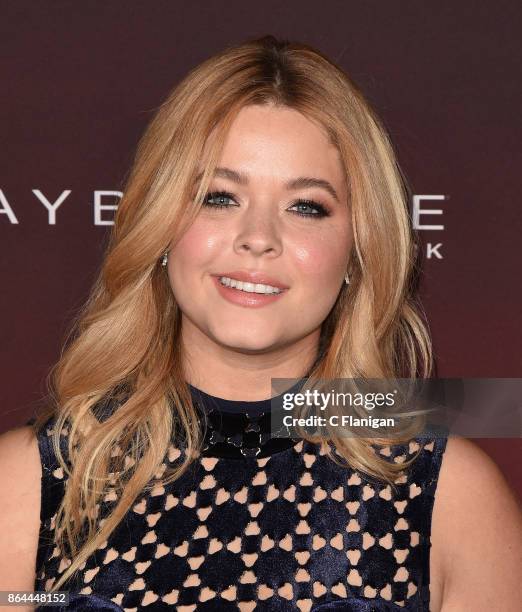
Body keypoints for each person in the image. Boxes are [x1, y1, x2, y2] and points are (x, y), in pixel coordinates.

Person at [0, 35, 521, 612]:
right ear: (162, 224)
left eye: (306, 207)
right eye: (219, 196)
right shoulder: (28, 483)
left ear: (358, 249)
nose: (258, 238)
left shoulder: (450, 496)